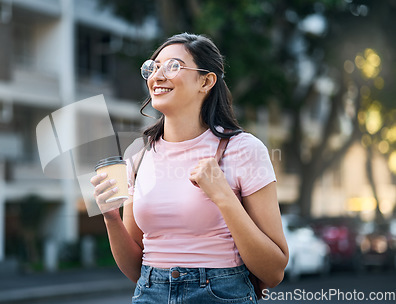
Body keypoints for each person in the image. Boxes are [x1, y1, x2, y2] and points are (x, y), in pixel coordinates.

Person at [90, 33, 288, 304]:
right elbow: (135, 269)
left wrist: (223, 196)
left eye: (172, 66)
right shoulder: (138, 154)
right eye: (153, 67)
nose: (157, 76)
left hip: (221, 293)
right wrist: (110, 218)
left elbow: (274, 271)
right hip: (150, 292)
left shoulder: (243, 149)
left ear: (205, 81)